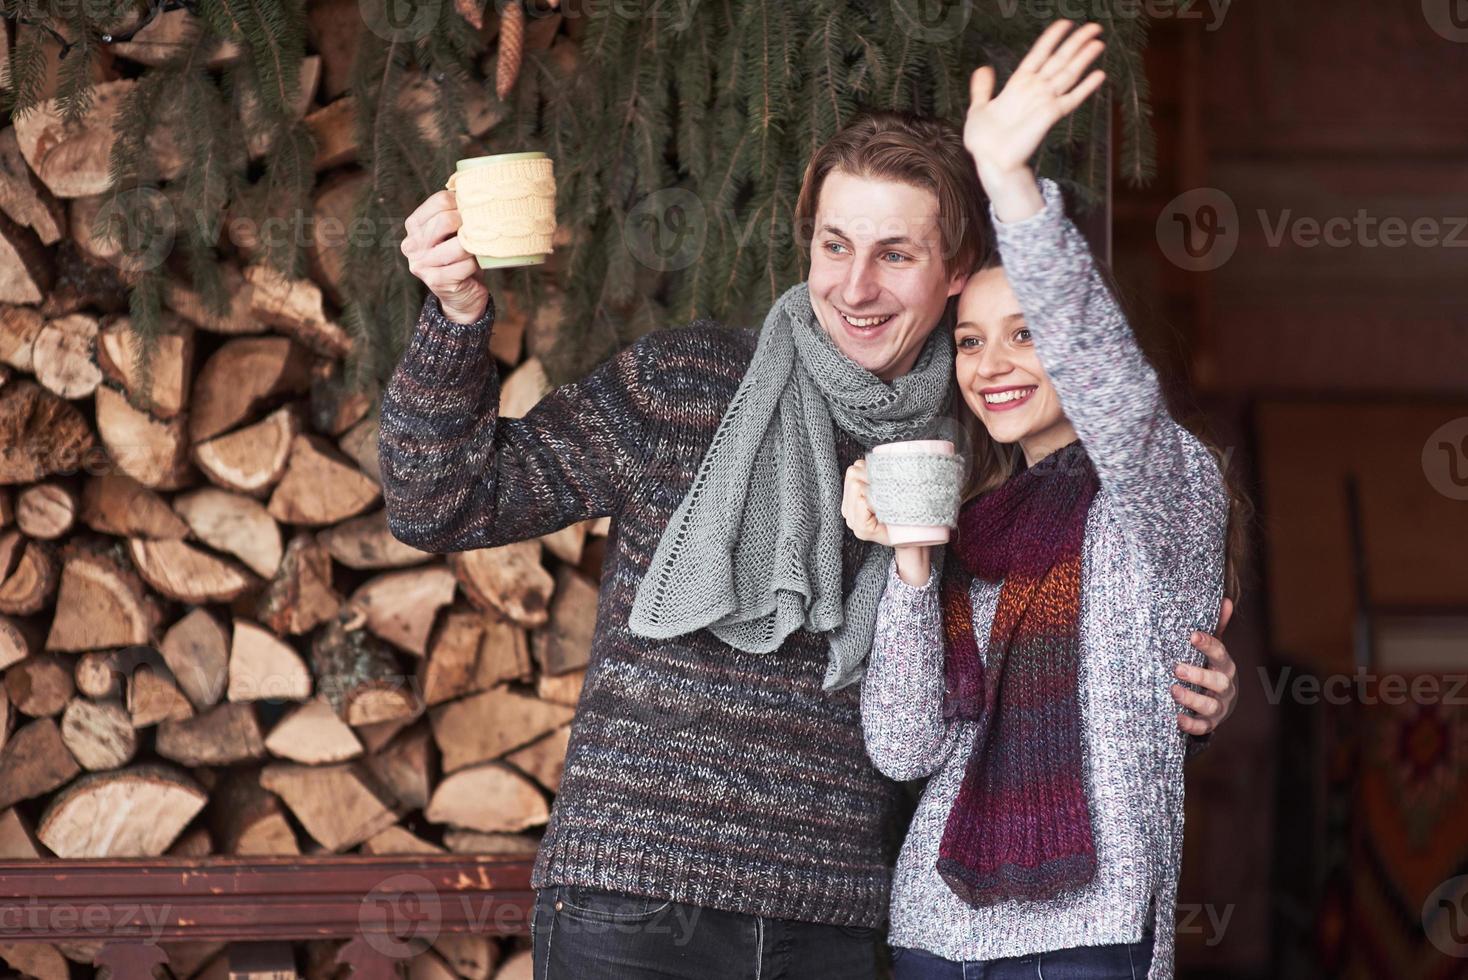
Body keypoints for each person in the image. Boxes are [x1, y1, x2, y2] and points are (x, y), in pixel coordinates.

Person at [382, 24, 1239, 976]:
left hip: (833, 924)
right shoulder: (685, 383)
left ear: (955, 275)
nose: (855, 287)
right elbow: (441, 503)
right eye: (835, 245)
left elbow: (1051, 679)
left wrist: (1183, 688)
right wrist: (458, 321)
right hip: (631, 905)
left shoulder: (978, 460)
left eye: (895, 255)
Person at [842, 22, 1236, 980]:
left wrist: (1011, 186)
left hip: (1087, 931)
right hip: (934, 927)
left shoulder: (1164, 491)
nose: (993, 365)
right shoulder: (976, 527)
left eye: (1027, 332)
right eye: (971, 342)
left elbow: (1110, 386)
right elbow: (902, 746)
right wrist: (912, 559)